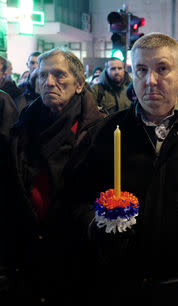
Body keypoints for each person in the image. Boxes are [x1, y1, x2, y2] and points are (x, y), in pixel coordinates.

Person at [63, 33, 178, 306]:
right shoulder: (107, 132)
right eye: (141, 70)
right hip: (120, 284)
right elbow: (75, 196)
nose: (150, 81)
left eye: (162, 69)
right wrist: (96, 225)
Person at [0, 48, 104, 305]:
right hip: (29, 255)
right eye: (42, 75)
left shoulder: (100, 130)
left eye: (59, 75)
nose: (49, 83)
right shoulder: (24, 125)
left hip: (76, 257)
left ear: (80, 84)